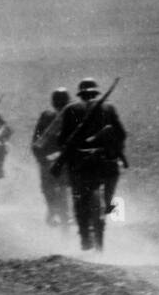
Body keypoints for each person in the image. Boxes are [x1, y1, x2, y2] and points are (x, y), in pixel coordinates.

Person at [54, 78, 127, 251]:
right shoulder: (109, 108)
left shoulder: (71, 109)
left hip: (81, 163)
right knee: (112, 181)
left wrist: (71, 148)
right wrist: (116, 150)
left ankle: (85, 237)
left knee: (79, 199)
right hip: (105, 161)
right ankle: (108, 206)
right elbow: (122, 134)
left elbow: (62, 139)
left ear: (80, 94)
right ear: (96, 92)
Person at [31, 88, 71, 226]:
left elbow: (36, 141)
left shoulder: (73, 113)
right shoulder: (48, 116)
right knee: (48, 185)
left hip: (65, 158)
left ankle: (53, 210)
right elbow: (37, 139)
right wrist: (40, 156)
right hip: (55, 158)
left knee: (48, 186)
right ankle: (53, 209)